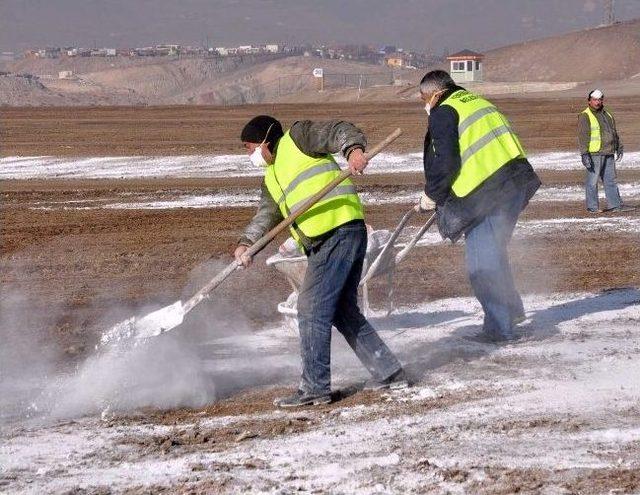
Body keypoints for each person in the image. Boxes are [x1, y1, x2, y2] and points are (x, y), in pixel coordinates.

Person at [234, 115, 406, 407]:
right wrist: (246, 243)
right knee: (342, 311)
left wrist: (353, 151)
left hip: (337, 230)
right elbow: (267, 214)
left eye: (252, 147)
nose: (252, 155)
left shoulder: (298, 138)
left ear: (267, 140)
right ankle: (389, 371)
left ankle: (314, 387)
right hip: (324, 240)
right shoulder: (271, 177)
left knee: (311, 307)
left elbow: (339, 130)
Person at [417, 70, 541, 342]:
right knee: (494, 254)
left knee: (481, 265)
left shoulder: (444, 111)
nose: (424, 104)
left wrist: (432, 194)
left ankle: (500, 329)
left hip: (488, 193)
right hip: (514, 184)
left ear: (434, 94)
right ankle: (511, 311)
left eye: (424, 98)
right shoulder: (477, 101)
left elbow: (446, 161)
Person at [578, 89, 625, 213]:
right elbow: (583, 136)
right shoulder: (585, 115)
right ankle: (592, 207)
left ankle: (615, 205)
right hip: (594, 154)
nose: (597, 102)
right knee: (592, 182)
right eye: (594, 100)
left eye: (599, 99)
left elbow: (613, 132)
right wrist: (584, 153)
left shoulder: (607, 114)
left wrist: (618, 146)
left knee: (611, 180)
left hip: (609, 152)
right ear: (589, 101)